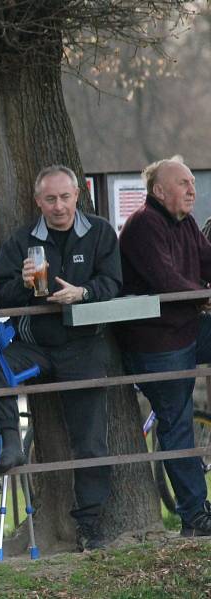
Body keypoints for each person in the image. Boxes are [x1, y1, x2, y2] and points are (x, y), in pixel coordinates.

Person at [0, 165, 121, 550]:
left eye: (65, 197)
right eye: (50, 199)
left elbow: (113, 282)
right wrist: (25, 285)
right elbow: (1, 294)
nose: (59, 206)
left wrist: (83, 293)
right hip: (36, 345)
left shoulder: (99, 231)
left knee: (91, 439)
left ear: (77, 195)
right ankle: (10, 441)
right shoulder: (22, 240)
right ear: (38, 202)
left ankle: (90, 524)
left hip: (82, 346)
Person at [117, 157, 211, 537]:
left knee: (179, 424)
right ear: (159, 191)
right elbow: (166, 280)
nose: (192, 190)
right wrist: (204, 295)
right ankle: (195, 515)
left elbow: (207, 261)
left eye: (193, 183)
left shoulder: (185, 222)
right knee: (176, 426)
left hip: (188, 327)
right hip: (156, 341)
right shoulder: (143, 224)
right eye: (183, 184)